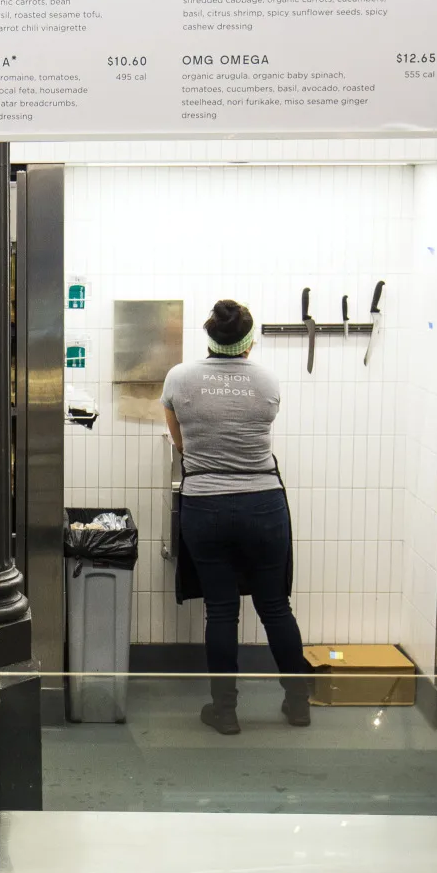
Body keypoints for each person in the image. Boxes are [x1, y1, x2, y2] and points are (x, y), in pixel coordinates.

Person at [162, 299, 313, 736]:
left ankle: (225, 711)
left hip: (206, 503)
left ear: (210, 336)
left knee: (221, 610)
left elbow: (181, 445)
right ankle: (298, 701)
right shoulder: (266, 380)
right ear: (248, 342)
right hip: (262, 503)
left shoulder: (179, 378)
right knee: (274, 606)